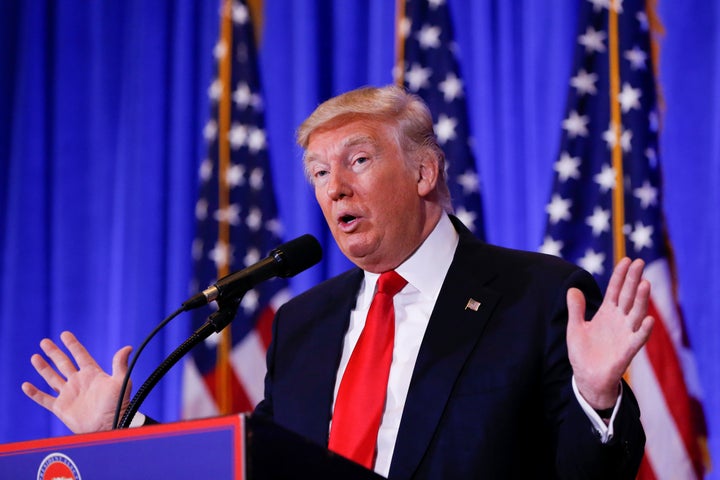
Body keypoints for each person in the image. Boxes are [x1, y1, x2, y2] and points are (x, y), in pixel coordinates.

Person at [23, 85, 653, 479]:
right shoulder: (304, 323)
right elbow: (257, 463)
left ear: (425, 171)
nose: (335, 188)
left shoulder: (538, 294)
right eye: (319, 173)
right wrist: (126, 429)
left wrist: (596, 400)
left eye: (357, 160)